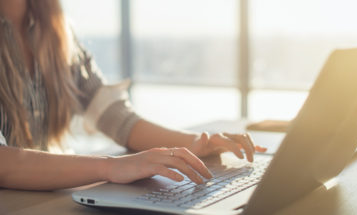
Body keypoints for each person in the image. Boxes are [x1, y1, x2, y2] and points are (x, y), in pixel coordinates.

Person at [0, 0, 266, 191]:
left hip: (48, 199)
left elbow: (116, 118)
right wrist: (111, 167)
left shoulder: (55, 29)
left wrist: (194, 144)